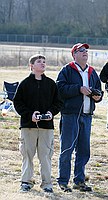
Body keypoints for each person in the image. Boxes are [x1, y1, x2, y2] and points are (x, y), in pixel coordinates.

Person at [56, 43, 103, 192]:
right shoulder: (67, 70)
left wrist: (97, 96)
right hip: (70, 115)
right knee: (67, 149)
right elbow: (60, 89)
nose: (85, 53)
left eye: (86, 50)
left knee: (84, 151)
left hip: (87, 116)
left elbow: (99, 91)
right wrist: (78, 89)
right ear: (74, 54)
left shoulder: (92, 72)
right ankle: (63, 181)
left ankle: (79, 181)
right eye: (81, 50)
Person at [13, 54, 61, 193]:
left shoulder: (51, 84)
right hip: (28, 126)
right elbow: (18, 103)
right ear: (32, 66)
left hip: (47, 127)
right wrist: (30, 115)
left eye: (44, 62)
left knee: (45, 156)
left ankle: (47, 184)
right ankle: (26, 182)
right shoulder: (25, 83)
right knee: (27, 155)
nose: (43, 64)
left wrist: (51, 113)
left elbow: (58, 103)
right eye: (39, 62)